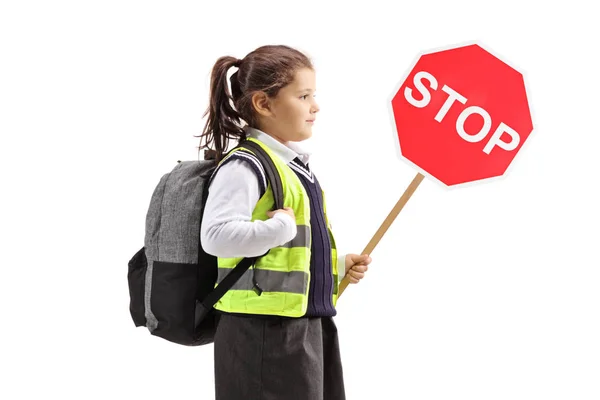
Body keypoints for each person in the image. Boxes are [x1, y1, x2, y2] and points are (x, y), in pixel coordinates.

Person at [198, 44, 372, 400]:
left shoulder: (292, 168)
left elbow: (285, 254)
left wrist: (333, 267)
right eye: (304, 95)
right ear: (264, 104)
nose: (315, 106)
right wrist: (278, 229)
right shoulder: (245, 166)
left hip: (303, 326)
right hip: (263, 335)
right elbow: (215, 237)